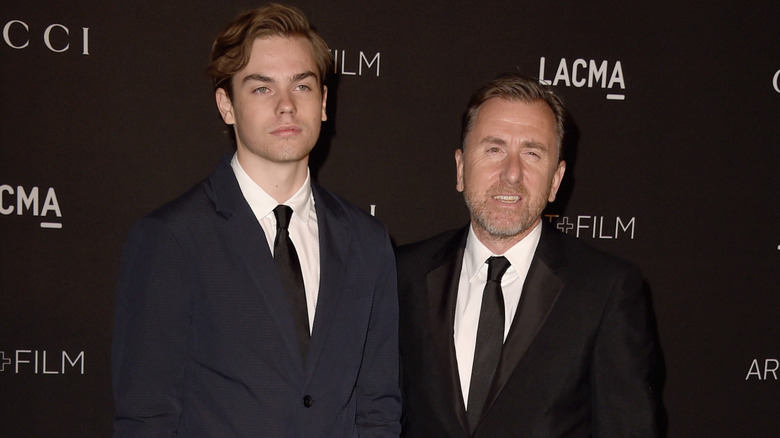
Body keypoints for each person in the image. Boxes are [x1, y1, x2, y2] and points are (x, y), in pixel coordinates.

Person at [112, 4, 401, 437]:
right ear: (226, 105)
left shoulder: (367, 241)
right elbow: (145, 418)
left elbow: (377, 409)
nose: (286, 106)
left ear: (324, 103)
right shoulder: (171, 238)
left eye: (302, 86)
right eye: (262, 89)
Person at [396, 74, 663, 437]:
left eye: (532, 154)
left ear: (556, 179)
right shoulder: (403, 274)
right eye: (494, 149)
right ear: (460, 168)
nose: (511, 173)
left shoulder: (605, 290)